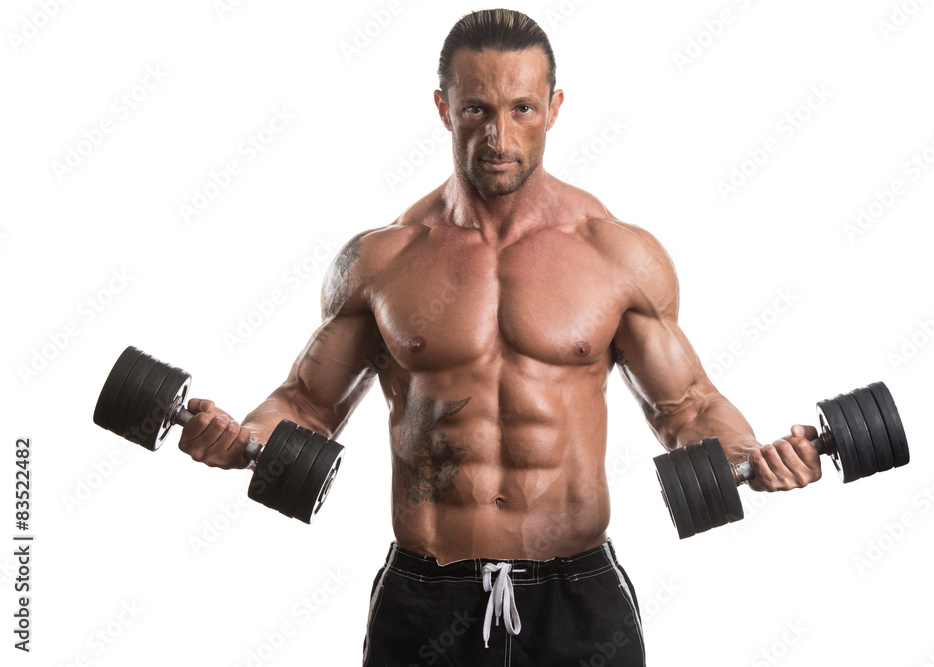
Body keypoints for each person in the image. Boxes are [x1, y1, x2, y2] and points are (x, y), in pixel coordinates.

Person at [177, 8, 822, 665]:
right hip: (427, 593)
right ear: (442, 108)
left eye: (522, 109)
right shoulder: (383, 261)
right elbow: (307, 403)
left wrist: (751, 455)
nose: (499, 136)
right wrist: (247, 439)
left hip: (578, 597)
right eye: (477, 110)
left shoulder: (615, 255)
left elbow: (685, 404)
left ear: (555, 107)